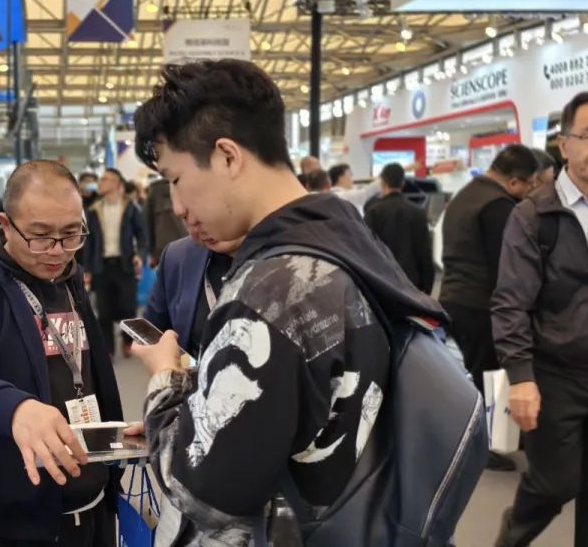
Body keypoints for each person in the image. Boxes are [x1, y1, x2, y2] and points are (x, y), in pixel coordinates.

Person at [128, 59, 446, 545]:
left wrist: (164, 380)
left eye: (174, 179)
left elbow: (204, 493)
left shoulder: (272, 289)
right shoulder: (345, 238)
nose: (176, 206)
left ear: (227, 156)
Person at [0, 160, 127, 546]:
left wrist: (119, 433)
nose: (57, 251)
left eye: (71, 234)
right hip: (23, 524)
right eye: (40, 236)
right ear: (6, 225)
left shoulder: (69, 279)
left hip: (95, 507)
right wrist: (15, 408)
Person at [492, 92, 588, 547]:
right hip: (556, 377)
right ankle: (510, 538)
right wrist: (520, 376)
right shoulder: (533, 215)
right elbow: (511, 301)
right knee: (553, 485)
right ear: (564, 144)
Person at [439, 145, 540, 472]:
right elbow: (508, 264)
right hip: (481, 303)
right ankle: (481, 447)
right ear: (514, 181)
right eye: (529, 185)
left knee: (477, 373)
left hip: (456, 298)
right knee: (488, 376)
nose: (529, 192)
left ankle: (489, 439)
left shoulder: (466, 194)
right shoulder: (498, 206)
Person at [144, 226, 241, 356]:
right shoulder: (177, 256)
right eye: (185, 218)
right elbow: (153, 329)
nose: (193, 228)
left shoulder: (267, 258)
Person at [83, 168, 148, 357]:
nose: (101, 182)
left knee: (128, 307)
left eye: (106, 179)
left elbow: (142, 235)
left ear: (117, 184)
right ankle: (108, 349)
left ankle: (128, 341)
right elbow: (89, 241)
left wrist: (139, 255)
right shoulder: (94, 210)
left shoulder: (131, 208)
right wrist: (87, 269)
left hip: (124, 264)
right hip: (101, 266)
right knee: (103, 311)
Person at [364, 163, 435, 294]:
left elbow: (367, 249)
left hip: (382, 280)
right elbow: (424, 251)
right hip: (411, 282)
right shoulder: (417, 212)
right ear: (403, 184)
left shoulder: (373, 211)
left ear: (383, 183)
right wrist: (428, 284)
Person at [144, 177, 187, 269]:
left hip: (163, 249)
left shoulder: (154, 191)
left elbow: (148, 225)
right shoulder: (188, 185)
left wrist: (151, 251)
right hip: (189, 245)